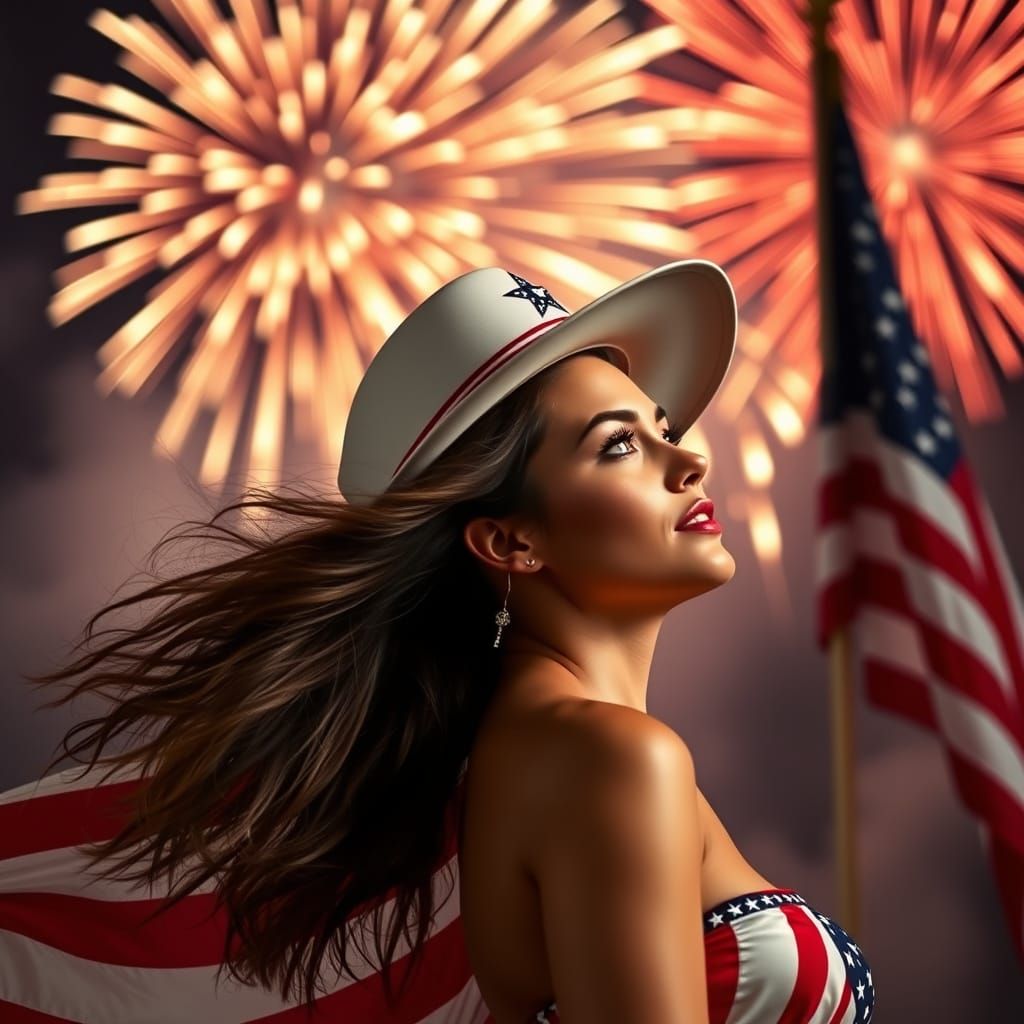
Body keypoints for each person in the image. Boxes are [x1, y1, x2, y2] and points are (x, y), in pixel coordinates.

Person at [0, 259, 875, 1023]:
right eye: (618, 447)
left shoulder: (529, 754)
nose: (689, 463)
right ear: (509, 542)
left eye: (663, 430)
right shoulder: (609, 758)